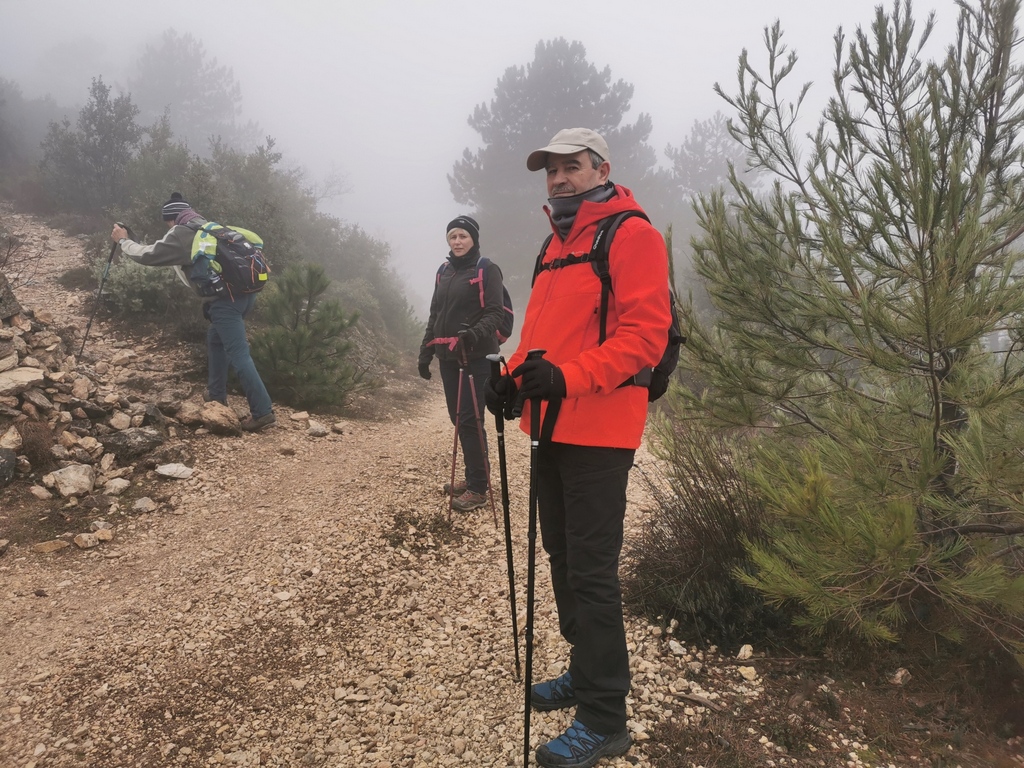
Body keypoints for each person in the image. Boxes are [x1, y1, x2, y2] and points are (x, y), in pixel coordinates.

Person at [485, 129, 671, 768]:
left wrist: (566, 378)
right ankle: (583, 667)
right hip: (551, 425)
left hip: (601, 429)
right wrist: (510, 379)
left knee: (591, 572)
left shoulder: (631, 234)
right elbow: (540, 334)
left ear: (601, 169)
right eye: (552, 171)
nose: (560, 178)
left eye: (572, 167)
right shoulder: (556, 243)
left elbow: (646, 337)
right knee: (562, 556)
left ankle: (604, 716)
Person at [110, 193, 276, 433]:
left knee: (239, 353)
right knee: (215, 338)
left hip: (224, 302)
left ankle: (262, 412)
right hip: (246, 296)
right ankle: (216, 397)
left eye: (167, 222)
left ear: (171, 219)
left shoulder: (181, 233)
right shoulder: (211, 228)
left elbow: (148, 255)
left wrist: (123, 241)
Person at [419, 216, 505, 512]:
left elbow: (495, 312)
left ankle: (478, 488)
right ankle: (473, 477)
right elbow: (435, 313)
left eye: (463, 236)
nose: (457, 241)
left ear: (473, 239)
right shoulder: (443, 272)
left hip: (477, 356)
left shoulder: (486, 269)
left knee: (471, 419)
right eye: (452, 236)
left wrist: (474, 334)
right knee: (459, 418)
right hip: (448, 357)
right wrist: (425, 351)